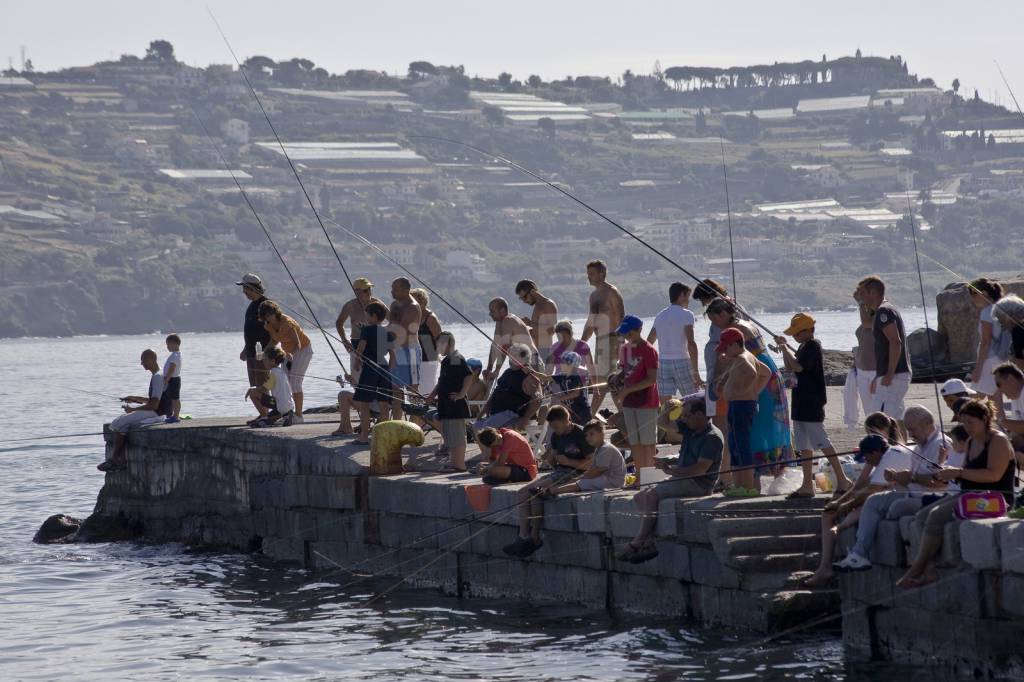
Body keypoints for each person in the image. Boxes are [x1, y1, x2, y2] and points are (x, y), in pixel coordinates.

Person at [898, 398, 1016, 588]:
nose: (966, 427)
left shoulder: (998, 441)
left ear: (985, 418)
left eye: (970, 422)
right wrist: (947, 475)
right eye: (964, 422)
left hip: (995, 499)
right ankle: (929, 570)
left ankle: (916, 568)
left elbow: (994, 475)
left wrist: (959, 472)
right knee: (921, 516)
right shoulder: (971, 442)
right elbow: (967, 473)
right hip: (970, 495)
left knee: (936, 516)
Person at [832, 405, 950, 572]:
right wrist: (896, 477)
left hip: (928, 497)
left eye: (912, 429)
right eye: (907, 430)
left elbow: (940, 482)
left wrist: (910, 477)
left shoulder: (941, 444)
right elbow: (912, 476)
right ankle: (859, 555)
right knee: (874, 501)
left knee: (893, 509)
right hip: (910, 492)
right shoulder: (919, 445)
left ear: (926, 424)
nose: (909, 435)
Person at [802, 412, 904, 587]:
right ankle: (825, 566)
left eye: (872, 432)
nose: (869, 435)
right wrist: (840, 501)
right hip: (869, 494)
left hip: (881, 498)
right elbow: (861, 482)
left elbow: (873, 489)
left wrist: (844, 505)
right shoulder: (876, 450)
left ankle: (827, 562)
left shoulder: (891, 452)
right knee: (829, 512)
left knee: (840, 512)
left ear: (883, 430)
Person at [617, 397, 723, 563]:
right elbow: (662, 422)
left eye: (687, 415)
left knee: (651, 496)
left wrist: (672, 470)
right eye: (683, 415)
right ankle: (649, 542)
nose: (684, 419)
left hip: (698, 484)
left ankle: (638, 541)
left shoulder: (712, 437)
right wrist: (668, 407)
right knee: (639, 496)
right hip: (682, 478)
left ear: (700, 414)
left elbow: (700, 469)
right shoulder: (689, 427)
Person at [776, 313, 853, 498]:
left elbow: (799, 367)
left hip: (812, 401)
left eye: (797, 332)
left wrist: (786, 348)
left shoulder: (813, 346)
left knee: (822, 442)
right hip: (800, 401)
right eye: (793, 333)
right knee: (804, 446)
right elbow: (789, 367)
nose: (794, 336)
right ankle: (806, 484)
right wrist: (783, 348)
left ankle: (843, 480)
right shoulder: (803, 347)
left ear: (809, 330)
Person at [503, 406, 594, 558]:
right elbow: (556, 463)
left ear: (567, 420)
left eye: (556, 426)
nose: (554, 430)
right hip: (560, 472)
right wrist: (550, 459)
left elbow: (592, 464)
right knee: (523, 493)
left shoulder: (581, 435)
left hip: (576, 474)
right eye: (552, 427)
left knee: (536, 491)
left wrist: (569, 461)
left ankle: (533, 537)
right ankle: (524, 536)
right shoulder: (556, 437)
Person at [716, 327, 771, 496]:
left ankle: (748, 487)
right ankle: (738, 484)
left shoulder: (742, 358)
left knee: (741, 445)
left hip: (742, 404)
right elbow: (766, 373)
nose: (724, 350)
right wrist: (755, 391)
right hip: (739, 404)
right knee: (734, 444)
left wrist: (743, 390)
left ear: (734, 344)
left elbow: (751, 372)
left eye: (726, 347)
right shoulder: (744, 356)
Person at [97, 349, 169, 472]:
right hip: (156, 412)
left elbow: (154, 405)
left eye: (143, 360)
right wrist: (134, 398)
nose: (141, 363)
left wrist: (132, 410)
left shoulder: (157, 377)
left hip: (157, 414)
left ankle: (115, 460)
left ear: (151, 359)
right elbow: (154, 400)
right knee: (119, 423)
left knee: (118, 424)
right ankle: (119, 460)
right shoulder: (158, 375)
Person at [857, 276, 912, 421]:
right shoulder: (884, 310)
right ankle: (901, 442)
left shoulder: (884, 312)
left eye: (862, 294)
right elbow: (866, 323)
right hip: (894, 374)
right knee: (896, 418)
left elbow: (895, 342)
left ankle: (887, 443)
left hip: (895, 374)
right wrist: (879, 375)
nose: (860, 298)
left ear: (873, 293)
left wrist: (889, 373)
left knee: (880, 419)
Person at [694, 279, 732, 484]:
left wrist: (716, 380)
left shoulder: (721, 310)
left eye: (703, 301)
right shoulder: (727, 307)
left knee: (720, 429)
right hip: (717, 378)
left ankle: (725, 476)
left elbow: (723, 351)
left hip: (719, 381)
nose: (704, 307)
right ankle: (726, 474)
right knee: (722, 427)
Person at [613, 314, 660, 470]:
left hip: (646, 402)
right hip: (629, 402)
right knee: (635, 442)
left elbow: (652, 379)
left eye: (629, 333)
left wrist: (627, 390)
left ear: (639, 330)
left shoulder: (649, 350)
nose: (627, 336)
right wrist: (617, 378)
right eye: (624, 333)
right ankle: (640, 476)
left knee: (648, 442)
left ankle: (649, 475)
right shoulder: (625, 349)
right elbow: (625, 371)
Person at [580, 260, 625, 414]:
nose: (588, 277)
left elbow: (621, 319)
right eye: (588, 274)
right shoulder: (593, 296)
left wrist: (621, 344)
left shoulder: (612, 292)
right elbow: (591, 322)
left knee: (603, 383)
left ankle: (589, 416)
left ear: (601, 274)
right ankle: (624, 417)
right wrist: (581, 343)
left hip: (612, 340)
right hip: (601, 342)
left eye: (591, 274)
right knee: (612, 384)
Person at [259, 300, 313, 421]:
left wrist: (289, 354)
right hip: (287, 352)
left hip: (302, 350)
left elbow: (297, 344)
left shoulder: (287, 322)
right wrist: (265, 352)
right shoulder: (268, 325)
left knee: (295, 382)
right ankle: (287, 413)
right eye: (266, 316)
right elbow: (274, 340)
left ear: (275, 312)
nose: (269, 317)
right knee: (284, 383)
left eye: (270, 314)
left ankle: (299, 416)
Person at [648, 282, 702, 403]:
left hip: (662, 362)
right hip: (681, 360)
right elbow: (691, 343)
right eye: (687, 297)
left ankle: (667, 422)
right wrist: (696, 372)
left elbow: (649, 342)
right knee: (692, 400)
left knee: (666, 404)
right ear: (681, 295)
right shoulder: (687, 315)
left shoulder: (660, 315)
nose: (688, 301)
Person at [428, 331, 474, 471]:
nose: (437, 348)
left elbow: (469, 376)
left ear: (449, 344)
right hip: (445, 404)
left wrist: (461, 394)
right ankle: (453, 461)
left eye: (440, 345)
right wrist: (432, 395)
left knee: (457, 434)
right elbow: (441, 382)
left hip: (455, 405)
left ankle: (459, 464)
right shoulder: (447, 361)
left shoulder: (456, 358)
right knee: (449, 434)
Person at [353, 301, 396, 444]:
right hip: (384, 369)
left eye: (367, 316)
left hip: (370, 369)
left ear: (374, 316)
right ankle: (382, 437)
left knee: (364, 404)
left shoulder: (366, 330)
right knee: (384, 404)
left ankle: (364, 436)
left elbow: (360, 349)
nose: (366, 318)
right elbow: (392, 356)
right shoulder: (386, 332)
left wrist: (357, 362)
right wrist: (388, 371)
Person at [546, 420, 625, 495]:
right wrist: (576, 479)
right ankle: (553, 489)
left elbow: (596, 472)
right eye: (586, 435)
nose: (588, 438)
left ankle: (553, 491)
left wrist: (577, 479)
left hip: (614, 481)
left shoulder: (606, 449)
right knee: (581, 481)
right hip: (605, 478)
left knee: (583, 483)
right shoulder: (598, 449)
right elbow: (591, 470)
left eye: (591, 434)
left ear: (601, 433)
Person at [474, 343, 542, 431]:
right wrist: (483, 411)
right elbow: (496, 392)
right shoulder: (508, 372)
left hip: (513, 414)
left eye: (512, 356)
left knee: (486, 429)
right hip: (498, 414)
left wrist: (525, 419)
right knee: (477, 426)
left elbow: (538, 399)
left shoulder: (528, 376)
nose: (509, 358)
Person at [388, 277, 423, 419]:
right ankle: (397, 422)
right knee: (396, 388)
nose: (392, 291)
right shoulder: (394, 305)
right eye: (392, 288)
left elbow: (400, 330)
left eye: (396, 289)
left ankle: (415, 422)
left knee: (412, 388)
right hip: (397, 350)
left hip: (411, 350)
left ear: (406, 290)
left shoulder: (413, 307)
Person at [485, 297, 542, 379]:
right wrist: (489, 369)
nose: (490, 314)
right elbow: (495, 344)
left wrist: (496, 371)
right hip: (518, 363)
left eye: (493, 311)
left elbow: (504, 348)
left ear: (502, 311)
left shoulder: (509, 321)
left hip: (532, 362)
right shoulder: (499, 321)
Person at [968, 278, 1006, 399]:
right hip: (1001, 357)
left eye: (973, 293)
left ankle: (968, 417)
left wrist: (978, 369)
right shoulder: (1001, 308)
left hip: (989, 360)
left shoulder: (986, 312)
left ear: (983, 293)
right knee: (995, 398)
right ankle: (997, 418)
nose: (971, 298)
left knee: (975, 396)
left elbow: (986, 342)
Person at [237, 273, 272, 401]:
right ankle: (263, 415)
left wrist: (267, 351)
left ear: (252, 288)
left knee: (262, 385)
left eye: (245, 288)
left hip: (262, 354)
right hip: (252, 353)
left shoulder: (266, 305)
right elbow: (252, 331)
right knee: (254, 386)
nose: (243, 292)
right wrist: (245, 349)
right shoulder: (251, 305)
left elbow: (274, 331)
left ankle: (269, 414)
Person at [245, 346, 296, 428]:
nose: (263, 361)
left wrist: (251, 390)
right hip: (288, 406)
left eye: (265, 359)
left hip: (279, 405)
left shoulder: (273, 373)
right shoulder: (281, 371)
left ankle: (264, 417)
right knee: (270, 417)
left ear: (272, 361)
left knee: (253, 393)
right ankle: (285, 416)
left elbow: (264, 389)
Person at [539, 351, 591, 425]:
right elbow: (546, 377)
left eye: (563, 363)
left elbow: (576, 393)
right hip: (572, 410)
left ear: (571, 365)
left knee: (584, 431)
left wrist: (560, 398)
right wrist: (531, 372)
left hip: (582, 411)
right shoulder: (561, 376)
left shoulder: (575, 377)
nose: (560, 364)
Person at [515, 279, 559, 363]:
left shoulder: (548, 304)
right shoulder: (537, 306)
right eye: (521, 299)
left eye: (524, 297)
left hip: (544, 352)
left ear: (533, 291)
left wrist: (530, 323)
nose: (524, 301)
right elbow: (538, 330)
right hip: (535, 352)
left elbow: (552, 330)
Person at [850, 284, 877, 420]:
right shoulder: (867, 314)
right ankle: (874, 434)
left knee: (881, 409)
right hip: (862, 369)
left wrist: (861, 303)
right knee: (869, 411)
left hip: (876, 369)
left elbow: (867, 322)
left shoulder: (881, 314)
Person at [411, 288, 442, 396]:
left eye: (413, 301)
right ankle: (416, 411)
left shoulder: (430, 318)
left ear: (422, 301)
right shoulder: (413, 316)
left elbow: (440, 339)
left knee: (427, 388)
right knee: (415, 389)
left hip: (429, 358)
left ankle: (429, 410)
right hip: (415, 358)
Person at [993, 363, 1024, 467]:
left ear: (1011, 379)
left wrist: (1002, 421)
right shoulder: (1017, 395)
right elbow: (1016, 432)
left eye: (998, 384)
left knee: (1018, 455)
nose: (999, 389)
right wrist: (998, 402)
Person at [993, 294, 1024, 371]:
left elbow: (1019, 365)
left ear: (1009, 315)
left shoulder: (1018, 331)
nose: (1002, 327)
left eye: (1001, 321)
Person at [162, 333, 182, 423]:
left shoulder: (175, 355)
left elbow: (172, 368)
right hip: (172, 379)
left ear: (174, 343)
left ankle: (176, 416)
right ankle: (174, 414)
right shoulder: (176, 354)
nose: (167, 347)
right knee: (172, 398)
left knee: (175, 398)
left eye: (168, 344)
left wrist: (167, 379)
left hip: (173, 379)